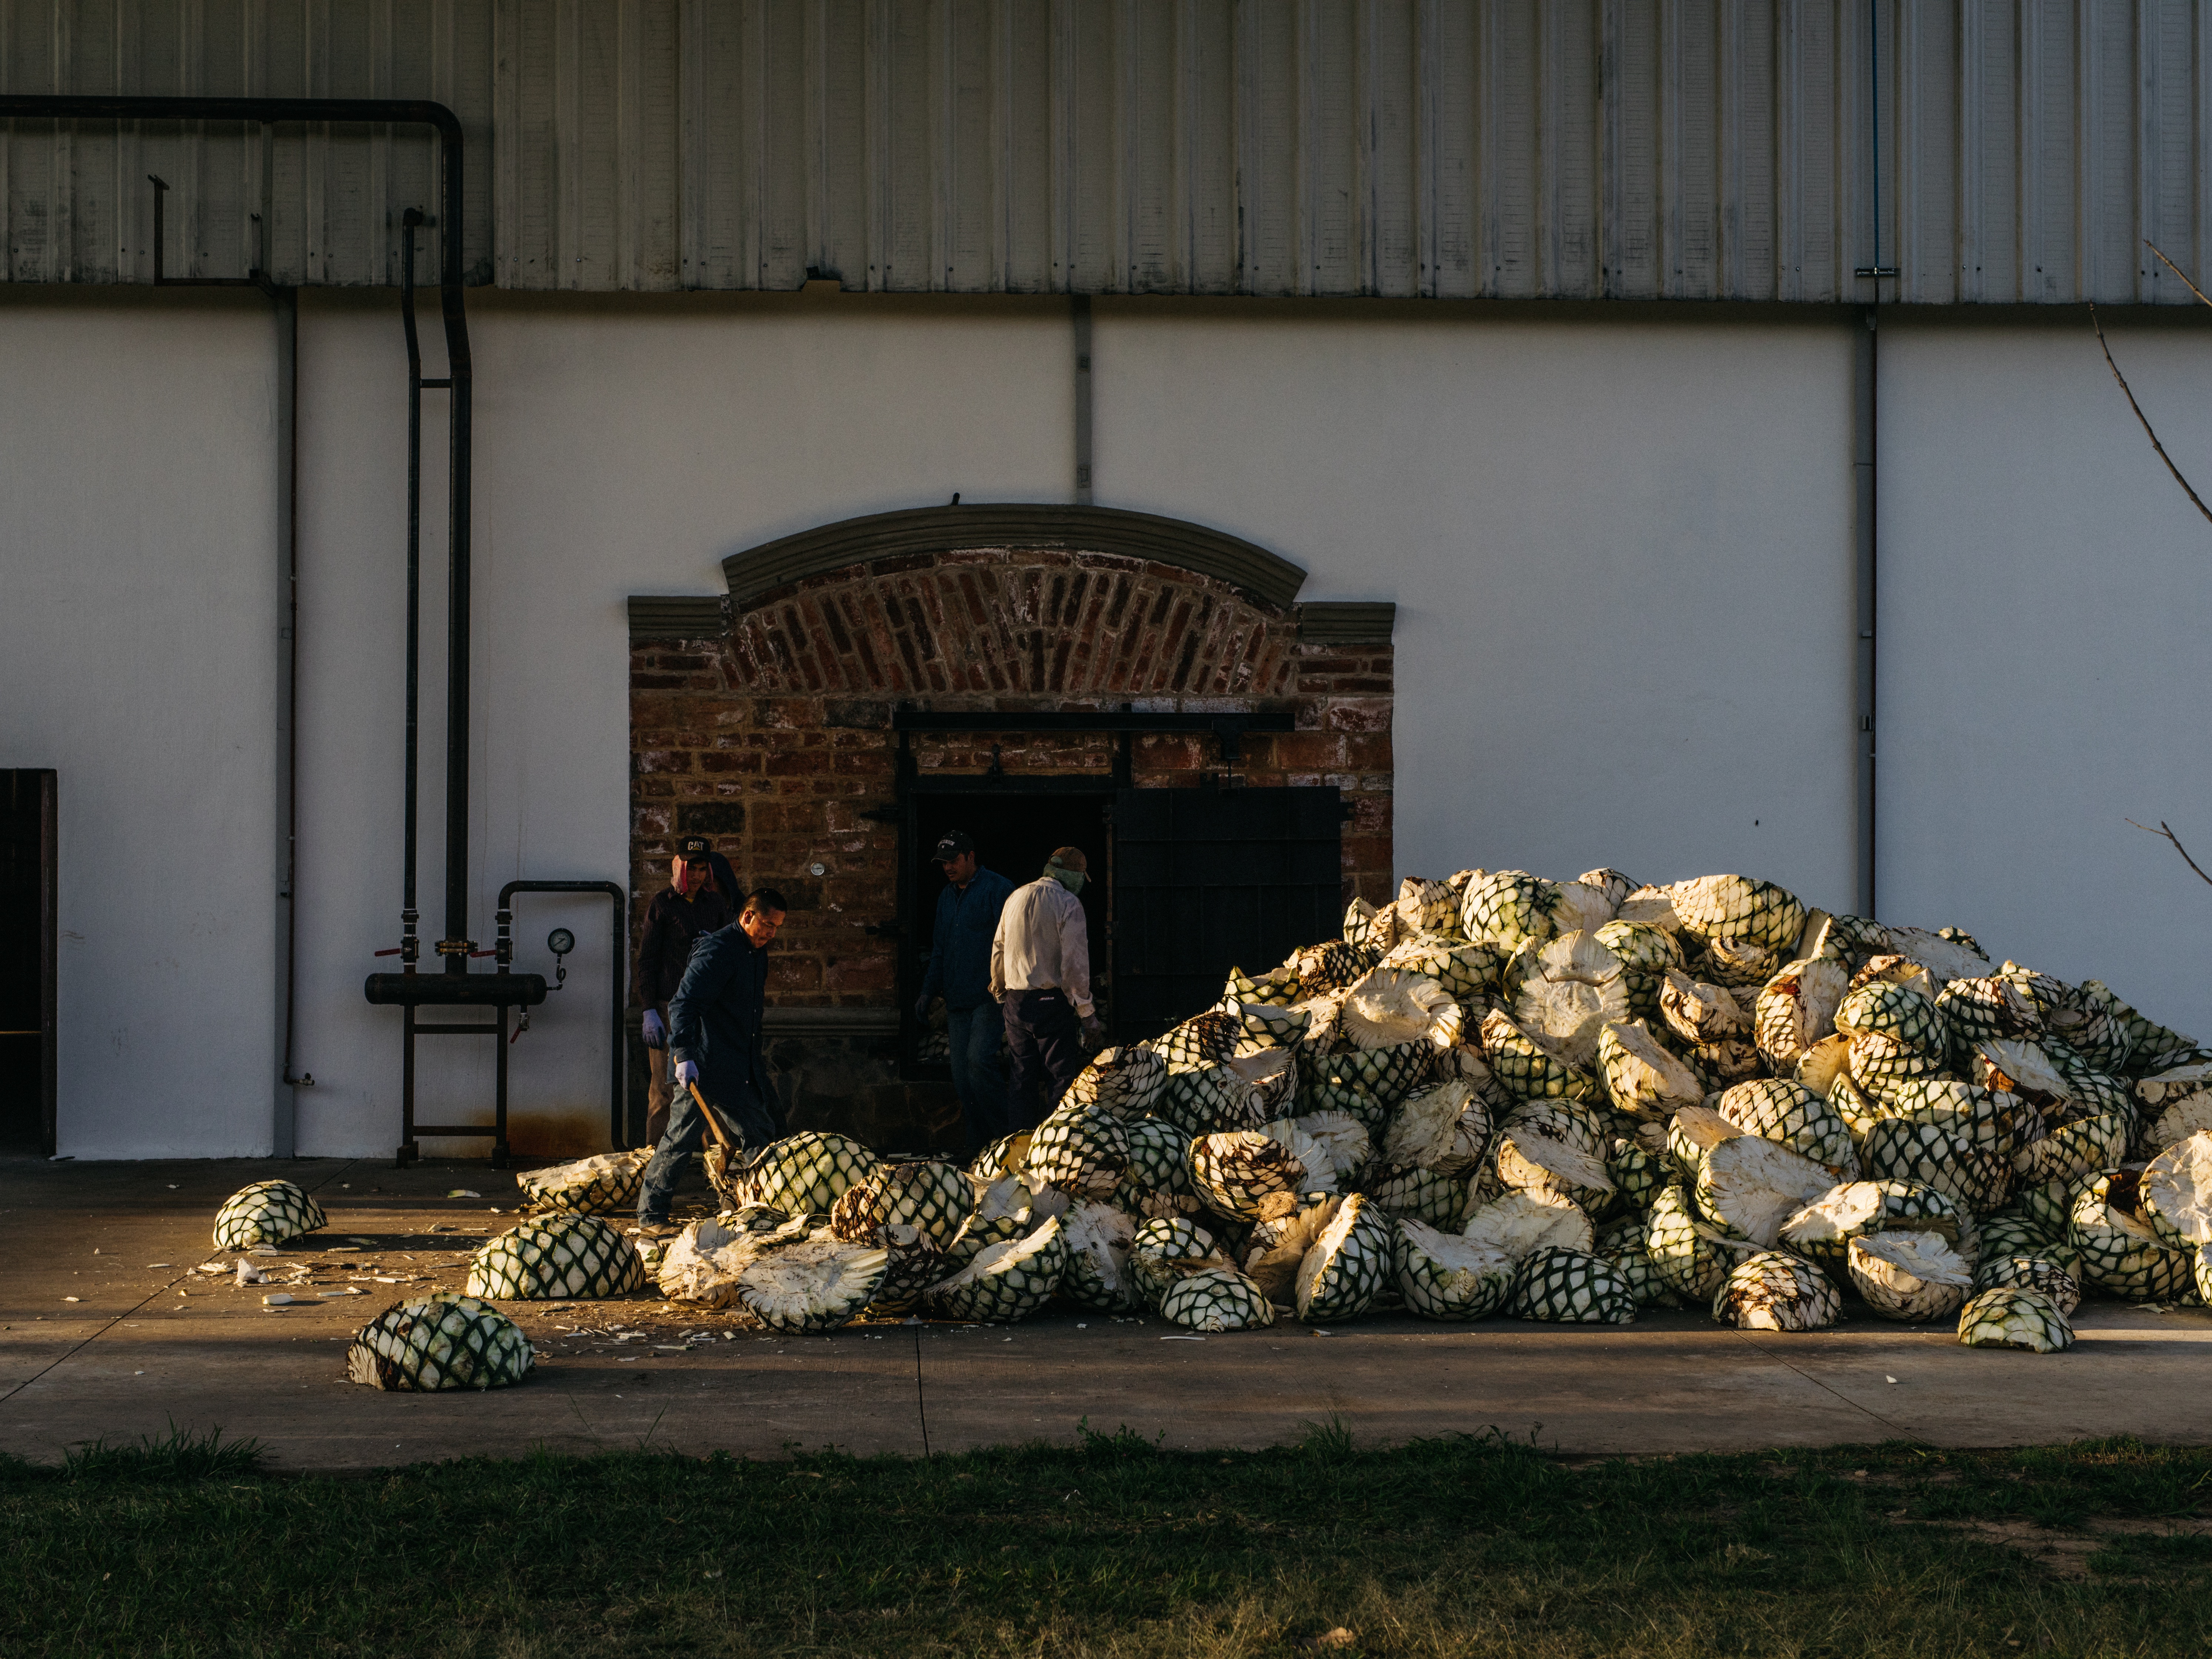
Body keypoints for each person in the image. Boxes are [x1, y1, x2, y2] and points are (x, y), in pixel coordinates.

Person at [634, 887, 789, 1235]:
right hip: (702, 1064)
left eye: (776, 927)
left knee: (759, 1135)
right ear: (747, 916)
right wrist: (684, 1055)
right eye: (766, 924)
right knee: (680, 1139)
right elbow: (683, 1005)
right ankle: (651, 1216)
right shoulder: (718, 950)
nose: (770, 933)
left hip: (736, 1063)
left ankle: (750, 1208)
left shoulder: (755, 953)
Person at [914, 831, 1015, 1157]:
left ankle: (1007, 1139)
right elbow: (940, 948)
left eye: (953, 860)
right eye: (943, 862)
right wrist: (928, 991)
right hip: (957, 1000)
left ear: (971, 856)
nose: (947, 867)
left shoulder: (998, 889)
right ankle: (978, 1146)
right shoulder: (946, 896)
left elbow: (1012, 943)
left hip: (989, 997)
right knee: (961, 1076)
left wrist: (1009, 988)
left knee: (978, 1062)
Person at [991, 846, 1105, 1134]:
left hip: (1016, 1002)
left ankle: (1019, 1143)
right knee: (1060, 1077)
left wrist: (1000, 990)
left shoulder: (1015, 897)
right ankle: (1057, 1143)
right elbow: (1075, 964)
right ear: (1074, 876)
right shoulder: (1068, 903)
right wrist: (1087, 1015)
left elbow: (999, 949)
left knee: (1021, 1077)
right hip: (1051, 1001)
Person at [633, 835, 733, 1147]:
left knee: (709, 1084)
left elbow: (730, 955)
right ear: (679, 868)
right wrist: (649, 1009)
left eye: (704, 869)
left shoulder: (715, 904)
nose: (698, 876)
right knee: (663, 1088)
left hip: (706, 1006)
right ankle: (653, 1159)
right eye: (692, 869)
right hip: (667, 1005)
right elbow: (647, 960)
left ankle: (717, 1160)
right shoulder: (662, 904)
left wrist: (714, 945)